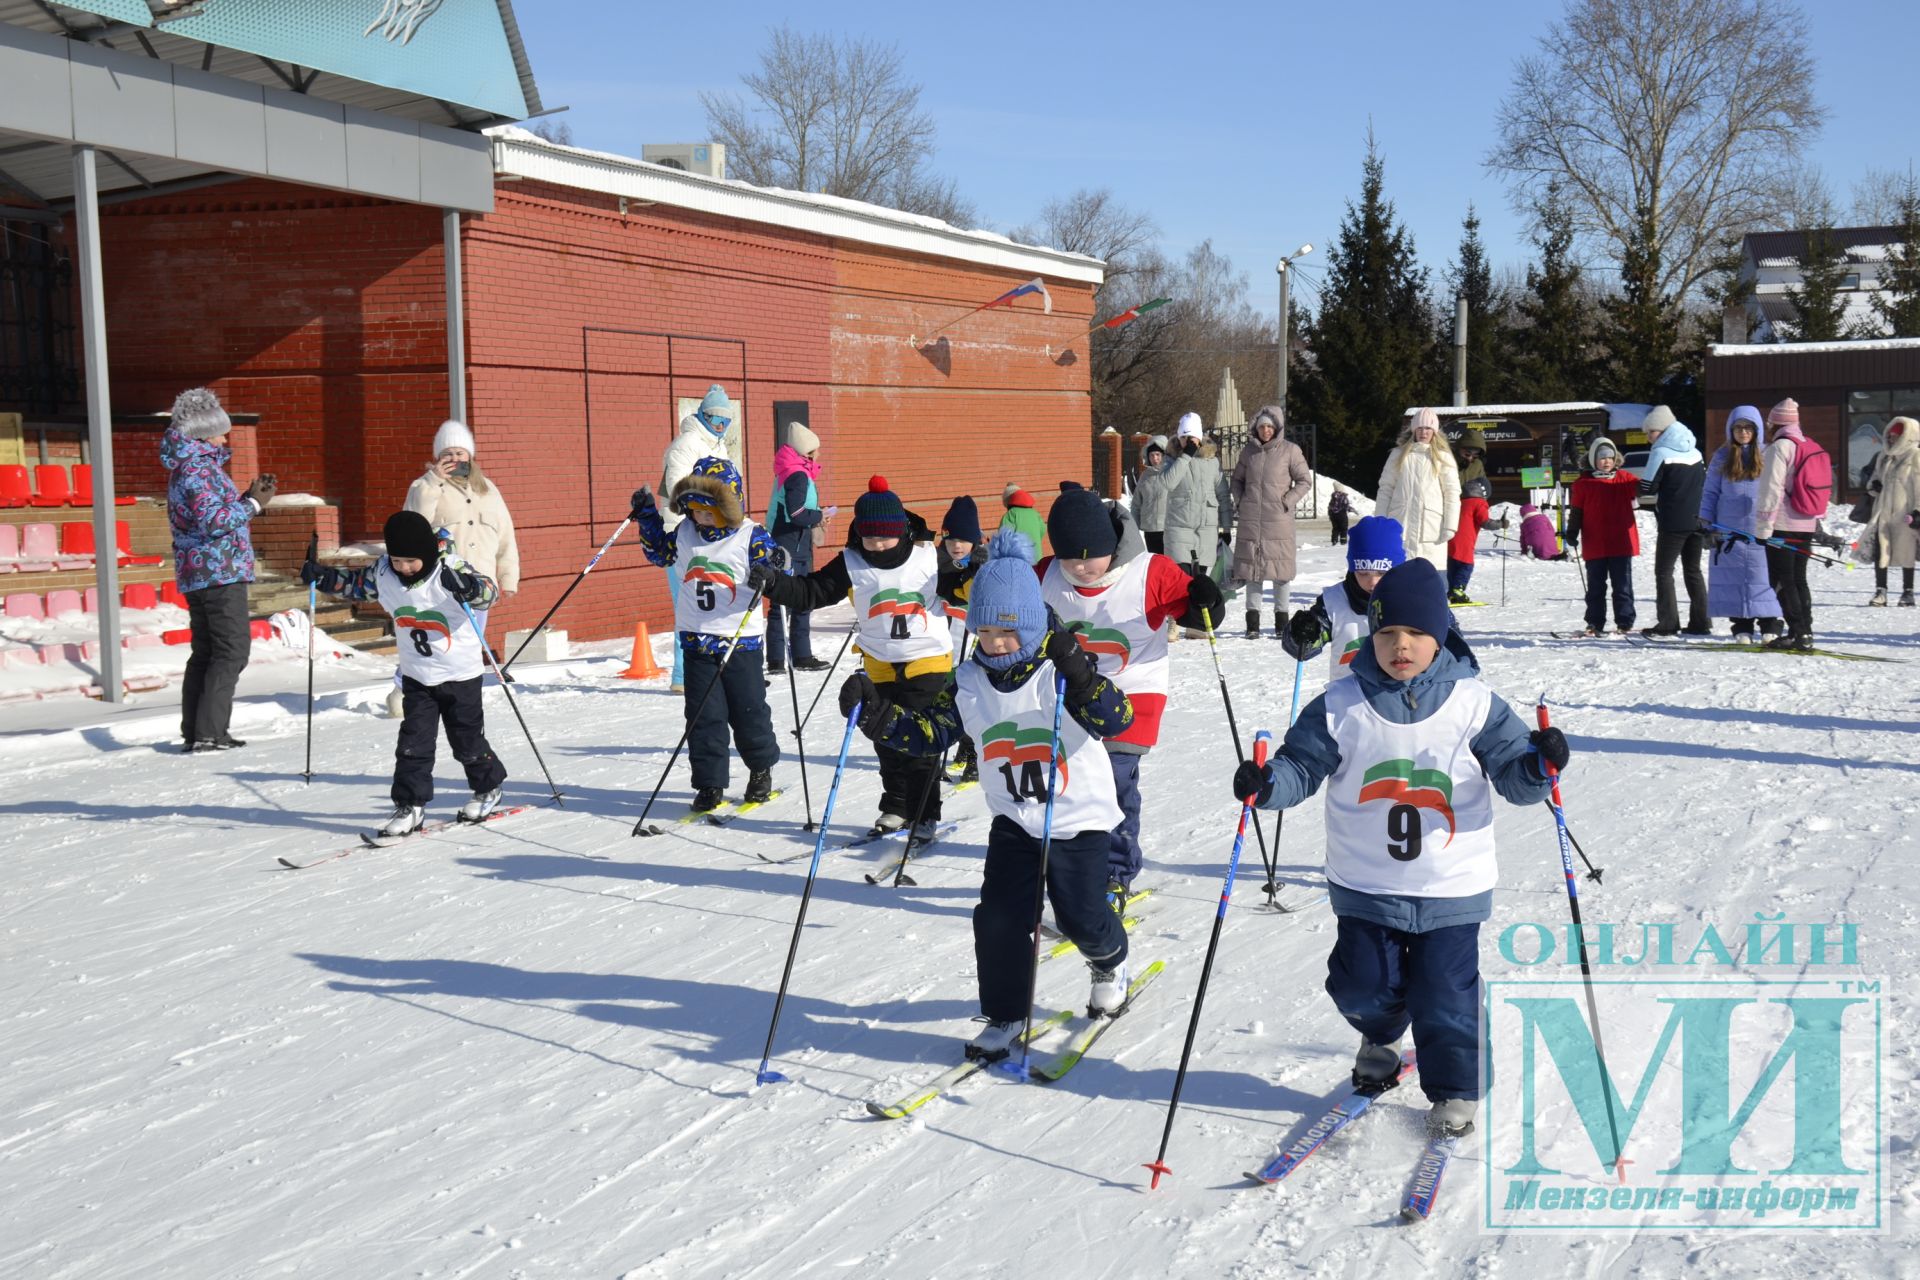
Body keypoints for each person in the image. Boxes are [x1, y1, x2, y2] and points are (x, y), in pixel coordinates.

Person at [1233, 557, 1567, 1137]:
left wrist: (1540, 764)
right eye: (1387, 633)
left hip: (1450, 885)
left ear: (1440, 636)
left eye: (1416, 634)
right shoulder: (1340, 704)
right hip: (1366, 883)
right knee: (1360, 984)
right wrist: (1266, 786)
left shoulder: (1475, 704)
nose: (1400, 646)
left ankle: (1456, 1088)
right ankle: (1382, 1036)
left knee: (1444, 994)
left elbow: (1517, 778)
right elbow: (1299, 767)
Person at [842, 530, 1136, 1059]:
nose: (995, 642)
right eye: (984, 630)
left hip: (1079, 821)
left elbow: (1118, 718)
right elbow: (930, 734)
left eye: (1007, 630)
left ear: (1028, 623)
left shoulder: (1059, 672)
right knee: (997, 919)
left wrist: (1080, 671)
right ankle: (1004, 1014)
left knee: (1079, 917)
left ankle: (1110, 960)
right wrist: (880, 717)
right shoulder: (970, 680)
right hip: (1015, 823)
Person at [1034, 487, 1223, 897]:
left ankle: (1114, 874)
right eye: (1072, 558)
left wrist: (1204, 601)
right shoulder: (1046, 573)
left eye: (1090, 557)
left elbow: (1196, 610)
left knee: (1114, 780)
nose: (1081, 568)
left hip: (1134, 687)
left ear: (1111, 546)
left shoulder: (1148, 570)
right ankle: (1072, 866)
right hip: (1068, 693)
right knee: (1070, 782)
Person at [752, 477, 955, 840]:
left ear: (901, 531)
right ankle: (895, 807)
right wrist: (774, 583)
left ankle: (924, 814)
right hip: (879, 662)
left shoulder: (928, 556)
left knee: (920, 744)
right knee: (886, 738)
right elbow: (813, 590)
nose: (877, 545)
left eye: (885, 537)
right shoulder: (852, 562)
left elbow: (963, 579)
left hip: (927, 661)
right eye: (869, 537)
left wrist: (979, 568)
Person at [301, 511, 505, 837]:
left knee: (466, 741)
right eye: (397, 560)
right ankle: (410, 807)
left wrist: (468, 587)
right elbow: (355, 585)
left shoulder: (449, 569)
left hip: (459, 675)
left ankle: (488, 787)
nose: (404, 568)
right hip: (417, 676)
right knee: (413, 745)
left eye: (411, 561)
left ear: (425, 554)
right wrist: (323, 577)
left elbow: (488, 593)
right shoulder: (383, 574)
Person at [631, 457, 780, 814]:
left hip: (738, 641)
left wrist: (769, 572)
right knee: (703, 716)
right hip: (696, 640)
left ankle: (760, 768)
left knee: (748, 712)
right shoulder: (685, 532)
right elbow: (658, 554)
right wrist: (647, 517)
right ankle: (710, 783)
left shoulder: (751, 535)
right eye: (695, 510)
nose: (701, 518)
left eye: (709, 511)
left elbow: (778, 563)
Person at [164, 387, 275, 753]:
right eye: (220, 431)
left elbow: (210, 516)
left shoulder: (192, 468)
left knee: (208, 651)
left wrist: (246, 497)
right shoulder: (198, 470)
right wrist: (255, 505)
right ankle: (209, 733)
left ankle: (199, 730)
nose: (226, 437)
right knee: (231, 651)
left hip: (203, 570)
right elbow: (214, 522)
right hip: (217, 571)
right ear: (202, 434)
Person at [400, 418, 520, 716]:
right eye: (448, 453)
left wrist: (509, 577)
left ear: (471, 456)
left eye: (460, 453)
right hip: (443, 580)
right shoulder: (423, 486)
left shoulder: (488, 489)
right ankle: (406, 682)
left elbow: (505, 534)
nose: (455, 459)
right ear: (439, 457)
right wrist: (433, 483)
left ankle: (462, 692)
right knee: (440, 638)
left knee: (470, 639)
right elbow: (414, 525)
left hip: (481, 581)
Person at [657, 384, 737, 691]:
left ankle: (714, 668)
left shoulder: (720, 446)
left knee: (711, 603)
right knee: (687, 604)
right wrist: (698, 518)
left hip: (713, 532)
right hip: (683, 533)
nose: (720, 424)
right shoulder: (687, 443)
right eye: (715, 417)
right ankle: (682, 675)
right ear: (702, 415)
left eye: (725, 419)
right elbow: (679, 490)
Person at [1283, 516, 1406, 679]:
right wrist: (1301, 634)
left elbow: (1446, 645)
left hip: (1399, 697)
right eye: (1363, 573)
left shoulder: (1415, 599)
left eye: (1382, 573)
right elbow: (1302, 650)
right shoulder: (1333, 602)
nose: (1372, 582)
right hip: (1347, 696)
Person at [1699, 406, 1783, 641]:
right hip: (1729, 531)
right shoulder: (1722, 456)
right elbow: (1710, 492)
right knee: (1735, 579)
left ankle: (1770, 625)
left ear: (1756, 430)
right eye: (1738, 427)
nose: (1743, 432)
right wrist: (1706, 521)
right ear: (1731, 430)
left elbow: (1779, 489)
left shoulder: (1768, 454)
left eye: (1748, 427)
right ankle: (1742, 626)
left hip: (1762, 530)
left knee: (1763, 579)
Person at [1228, 405, 1313, 637]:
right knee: (1253, 572)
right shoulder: (1249, 453)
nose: (1266, 430)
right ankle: (1252, 625)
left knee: (1280, 573)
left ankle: (1281, 624)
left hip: (1279, 521)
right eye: (1262, 426)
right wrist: (1241, 501)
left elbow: (1305, 480)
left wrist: (1287, 501)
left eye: (1269, 426)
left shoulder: (1290, 451)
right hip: (1251, 520)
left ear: (1277, 428)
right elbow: (1236, 481)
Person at [765, 423, 836, 675]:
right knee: (798, 599)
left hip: (786, 541)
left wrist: (816, 513)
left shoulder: (788, 471)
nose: (819, 454)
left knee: (781, 600)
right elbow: (796, 513)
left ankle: (777, 659)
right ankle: (800, 656)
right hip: (792, 546)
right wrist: (818, 516)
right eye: (817, 449)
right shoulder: (798, 475)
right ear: (807, 452)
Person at [1634, 406, 1709, 636]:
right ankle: (1701, 623)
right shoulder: (1695, 451)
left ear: (1662, 430)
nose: (1648, 438)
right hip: (1697, 520)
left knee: (1664, 572)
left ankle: (1668, 623)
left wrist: (1634, 486)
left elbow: (1647, 487)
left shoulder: (1661, 452)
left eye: (1650, 432)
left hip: (1672, 522)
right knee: (1693, 571)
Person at [1753, 399, 1819, 649]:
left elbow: (1771, 490)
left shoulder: (1779, 447)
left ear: (1775, 423)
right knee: (1799, 579)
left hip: (1782, 524)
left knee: (1782, 580)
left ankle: (1797, 634)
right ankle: (1805, 632)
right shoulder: (1808, 444)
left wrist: (1762, 529)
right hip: (1807, 522)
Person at [1562, 437, 1641, 636]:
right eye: (1602, 457)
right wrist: (1572, 532)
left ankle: (1625, 621)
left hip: (1621, 542)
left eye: (1610, 457)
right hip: (1595, 542)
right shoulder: (1583, 483)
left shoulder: (1625, 478)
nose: (1607, 461)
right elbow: (1577, 511)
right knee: (1596, 587)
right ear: (1592, 459)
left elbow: (1645, 488)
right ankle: (1595, 622)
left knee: (1622, 585)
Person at [938, 495, 987, 783]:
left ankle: (973, 753)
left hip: (974, 645)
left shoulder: (982, 563)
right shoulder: (937, 563)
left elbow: (978, 595)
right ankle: (952, 748)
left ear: (975, 541)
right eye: (951, 539)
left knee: (972, 702)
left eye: (963, 540)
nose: (957, 545)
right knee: (947, 701)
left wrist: (977, 569)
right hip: (944, 646)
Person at [1375, 407, 1460, 570]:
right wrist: (1380, 520)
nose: (1424, 432)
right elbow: (1386, 489)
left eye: (1428, 428)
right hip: (1401, 524)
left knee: (1432, 580)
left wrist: (1450, 525)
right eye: (1420, 428)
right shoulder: (1398, 455)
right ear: (1413, 430)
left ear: (1434, 431)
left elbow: (1452, 493)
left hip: (1431, 529)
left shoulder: (1443, 457)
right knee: (1400, 577)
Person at [1864, 417, 1918, 607]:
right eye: (1890, 435)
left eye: (1896, 436)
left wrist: (1918, 511)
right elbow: (1874, 479)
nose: (1892, 439)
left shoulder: (1915, 456)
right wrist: (1874, 486)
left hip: (1906, 514)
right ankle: (1881, 591)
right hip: (1883, 512)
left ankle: (1908, 592)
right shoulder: (1884, 456)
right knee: (1881, 551)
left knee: (1906, 552)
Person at [1446, 428, 1493, 604]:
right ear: (1460, 448)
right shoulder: (1448, 460)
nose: (1471, 457)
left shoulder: (1477, 465)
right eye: (1468, 452)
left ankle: (1454, 589)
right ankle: (1448, 588)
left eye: (1476, 454)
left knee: (1461, 552)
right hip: (1448, 508)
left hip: (1467, 510)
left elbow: (1482, 485)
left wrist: (1480, 501)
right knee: (1450, 553)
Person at [1130, 436, 1172, 555]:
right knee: (1156, 562)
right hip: (1150, 528)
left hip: (1168, 528)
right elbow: (1136, 504)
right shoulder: (1145, 477)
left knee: (1170, 563)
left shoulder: (1171, 474)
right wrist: (1134, 527)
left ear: (1164, 455)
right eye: (1152, 455)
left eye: (1158, 455)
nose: (1155, 458)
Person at [998, 485, 1046, 562]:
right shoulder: (1035, 514)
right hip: (1037, 558)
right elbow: (1043, 529)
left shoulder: (1010, 514)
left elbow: (1004, 537)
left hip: (1018, 560)